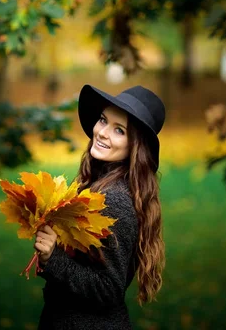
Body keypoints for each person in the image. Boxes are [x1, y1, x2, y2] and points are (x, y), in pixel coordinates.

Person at [33, 84, 166, 330]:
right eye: (103, 120)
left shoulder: (114, 200)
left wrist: (53, 257)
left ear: (135, 147)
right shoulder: (97, 184)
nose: (103, 132)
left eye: (119, 130)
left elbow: (108, 290)